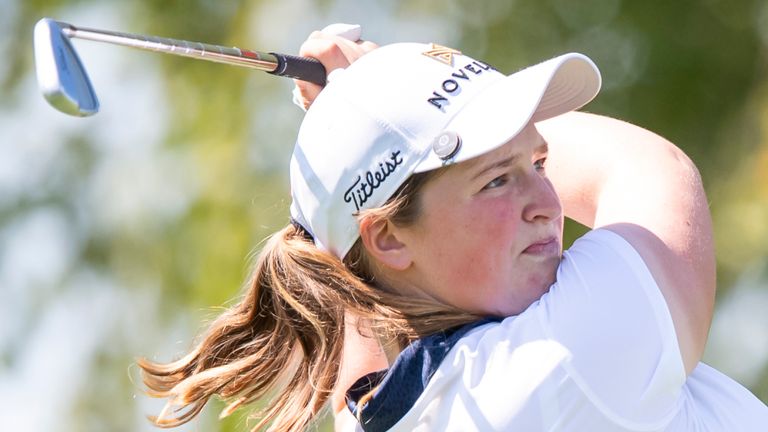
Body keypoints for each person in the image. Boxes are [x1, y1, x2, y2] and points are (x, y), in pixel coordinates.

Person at [138, 25, 768, 432]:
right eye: (495, 180)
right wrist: (378, 82)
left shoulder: (383, 410)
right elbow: (649, 168)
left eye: (538, 164)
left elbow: (357, 296)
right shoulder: (568, 359)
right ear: (389, 238)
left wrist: (364, 109)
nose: (546, 204)